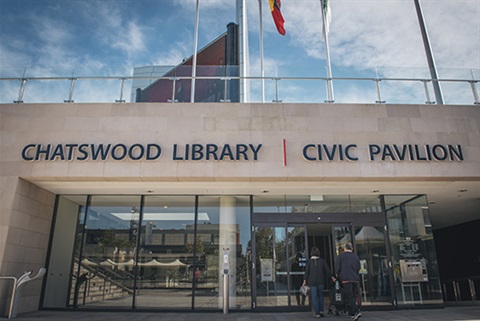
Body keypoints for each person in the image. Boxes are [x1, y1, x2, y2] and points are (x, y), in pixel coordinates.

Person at [335, 242, 362, 320]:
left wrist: (337, 275)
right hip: (355, 279)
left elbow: (337, 268)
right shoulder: (355, 257)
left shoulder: (341, 256)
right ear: (352, 248)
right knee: (353, 295)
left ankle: (356, 311)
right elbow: (358, 267)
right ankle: (353, 312)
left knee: (349, 296)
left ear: (345, 248)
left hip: (346, 279)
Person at [303, 247, 332, 318]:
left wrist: (304, 281)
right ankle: (321, 311)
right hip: (321, 281)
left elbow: (306, 272)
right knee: (321, 296)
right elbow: (327, 270)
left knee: (314, 297)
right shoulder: (322, 261)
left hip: (312, 281)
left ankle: (317, 312)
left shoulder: (309, 262)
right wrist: (332, 277)